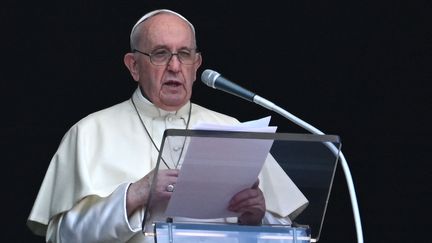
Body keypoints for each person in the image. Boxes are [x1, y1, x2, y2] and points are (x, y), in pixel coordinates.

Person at [27, 9, 308, 243]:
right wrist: (134, 195)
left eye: (184, 54)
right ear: (134, 66)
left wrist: (257, 219)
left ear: (196, 65)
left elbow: (286, 231)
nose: (175, 66)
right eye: (160, 53)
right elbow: (61, 236)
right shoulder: (89, 132)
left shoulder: (231, 129)